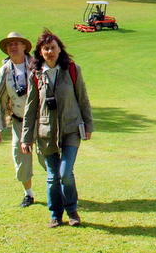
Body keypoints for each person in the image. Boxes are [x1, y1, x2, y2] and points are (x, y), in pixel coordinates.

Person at [21, 30, 94, 228]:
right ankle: (55, 215)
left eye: (53, 47)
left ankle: (72, 211)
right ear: (40, 52)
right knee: (52, 176)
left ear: (60, 49)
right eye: (46, 49)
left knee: (65, 173)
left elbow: (83, 99)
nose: (50, 51)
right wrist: (25, 138)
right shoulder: (35, 75)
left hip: (71, 128)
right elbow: (30, 108)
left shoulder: (72, 69)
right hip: (46, 132)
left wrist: (88, 125)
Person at [0, 31, 46, 207]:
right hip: (19, 121)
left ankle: (59, 191)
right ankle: (28, 194)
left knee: (48, 155)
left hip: (40, 120)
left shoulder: (37, 65)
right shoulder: (4, 71)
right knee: (21, 158)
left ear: (24, 46)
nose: (13, 47)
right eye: (9, 45)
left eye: (16, 43)